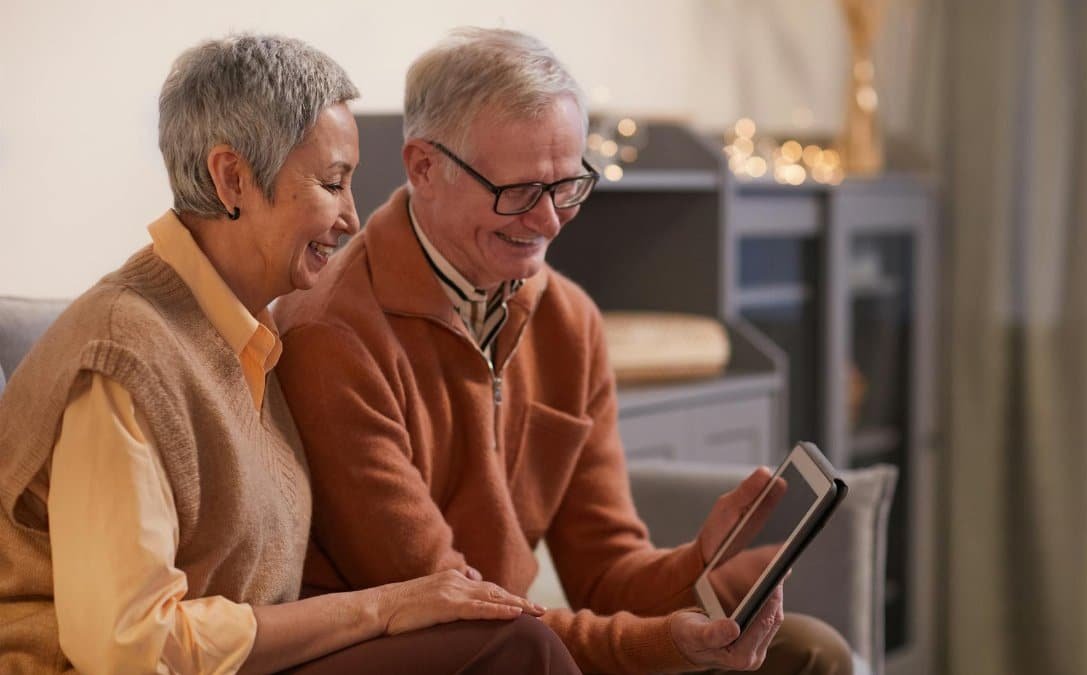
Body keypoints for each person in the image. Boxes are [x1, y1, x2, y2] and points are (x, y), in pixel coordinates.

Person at [274, 27, 854, 674]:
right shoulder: (332, 336)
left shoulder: (569, 319)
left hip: (520, 639)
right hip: (422, 651)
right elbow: (460, 607)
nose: (549, 222)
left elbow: (606, 573)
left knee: (810, 651)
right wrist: (665, 643)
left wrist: (703, 564)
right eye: (518, 192)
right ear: (423, 167)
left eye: (568, 185)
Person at [0, 34, 579, 675]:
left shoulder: (245, 333)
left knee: (512, 645)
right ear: (233, 179)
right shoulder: (122, 358)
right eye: (332, 183)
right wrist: (379, 609)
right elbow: (129, 646)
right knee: (516, 649)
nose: (352, 217)